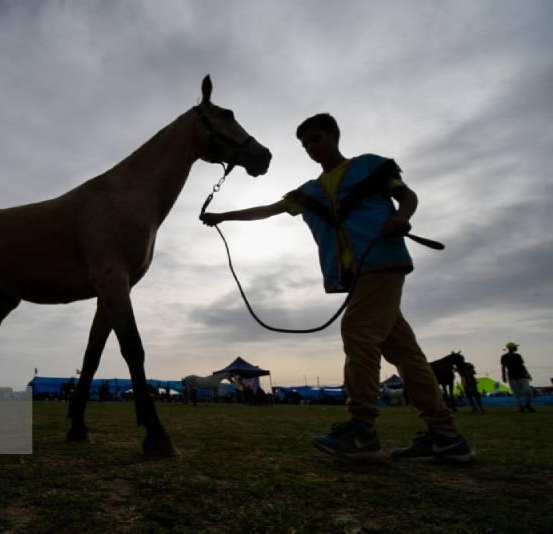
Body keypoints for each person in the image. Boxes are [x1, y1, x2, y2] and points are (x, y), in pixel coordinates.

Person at [200, 113, 474, 462]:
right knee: (404, 353)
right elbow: (269, 210)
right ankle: (445, 435)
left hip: (381, 260)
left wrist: (403, 216)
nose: (311, 148)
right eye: (304, 145)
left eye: (315, 139)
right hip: (357, 276)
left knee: (358, 333)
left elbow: (407, 196)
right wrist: (223, 216)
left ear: (333, 137)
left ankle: (361, 430)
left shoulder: (371, 167)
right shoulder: (309, 192)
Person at [501, 342, 534, 413]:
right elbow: (503, 367)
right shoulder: (504, 357)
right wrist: (503, 376)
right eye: (514, 347)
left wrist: (528, 374)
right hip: (512, 376)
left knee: (528, 391)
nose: (516, 348)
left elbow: (522, 366)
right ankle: (520, 407)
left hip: (522, 375)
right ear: (510, 348)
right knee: (516, 393)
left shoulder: (518, 356)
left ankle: (527, 404)